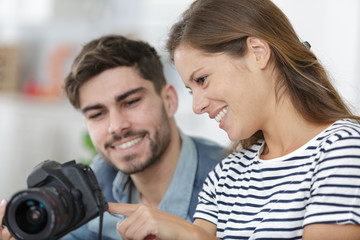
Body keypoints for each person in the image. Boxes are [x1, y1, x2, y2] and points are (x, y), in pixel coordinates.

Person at [106, 0, 360, 239]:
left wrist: (192, 234)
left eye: (202, 79)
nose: (197, 106)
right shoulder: (227, 175)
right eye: (191, 90)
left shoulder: (341, 150)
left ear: (257, 52)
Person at [0, 35, 226, 240]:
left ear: (169, 100)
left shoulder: (235, 181)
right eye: (97, 114)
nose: (117, 127)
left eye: (131, 102)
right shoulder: (93, 183)